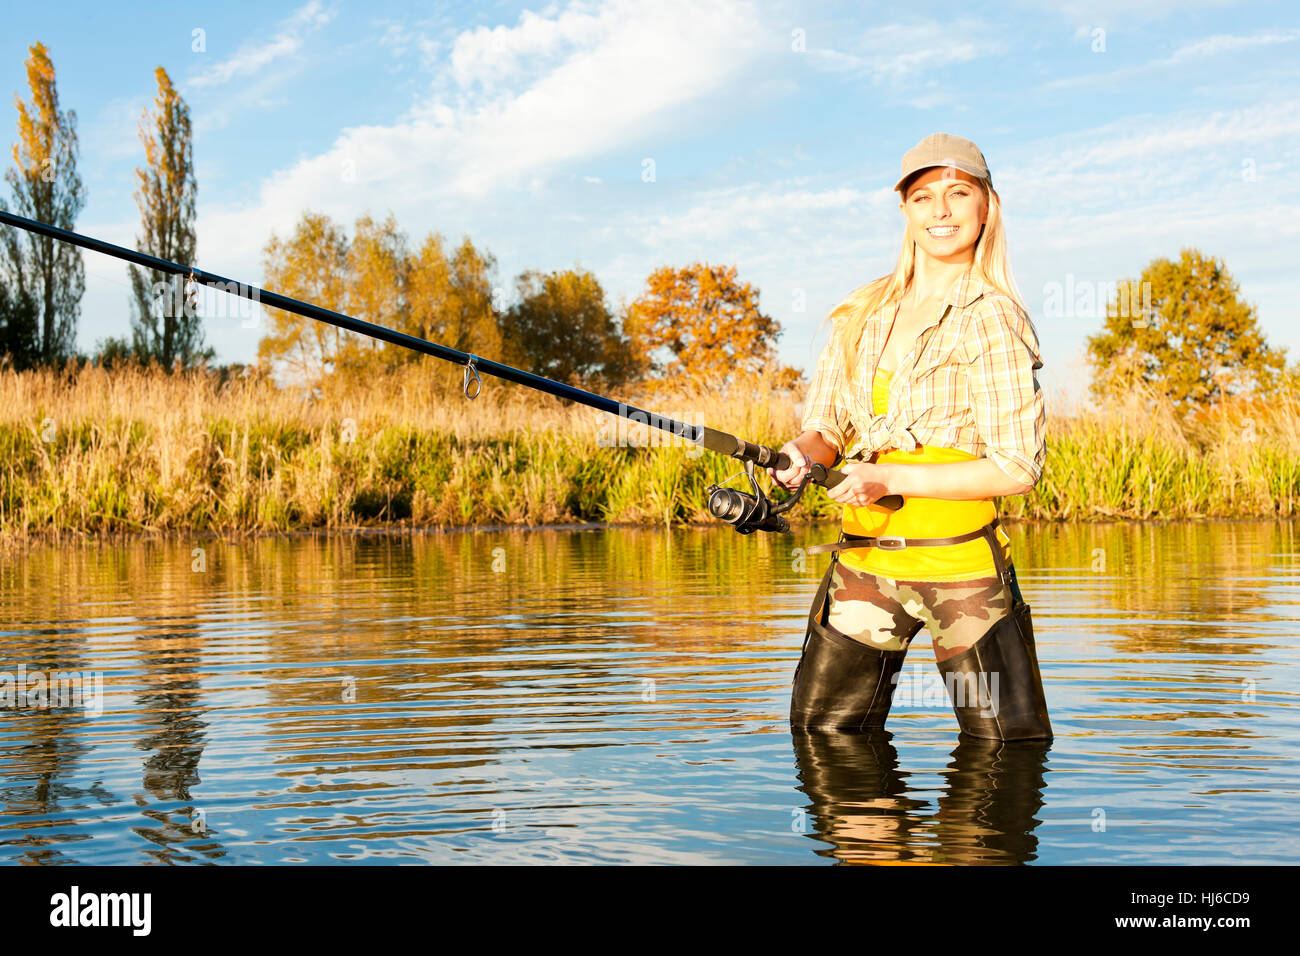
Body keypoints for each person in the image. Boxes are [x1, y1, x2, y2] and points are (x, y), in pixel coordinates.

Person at [771, 133, 1052, 741]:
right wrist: (801, 454)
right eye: (923, 197)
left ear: (987, 207)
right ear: (905, 209)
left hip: (961, 568)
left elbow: (1016, 469)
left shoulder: (994, 316)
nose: (941, 211)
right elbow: (826, 429)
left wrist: (889, 476)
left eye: (958, 194)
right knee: (822, 738)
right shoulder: (861, 312)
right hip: (864, 564)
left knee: (1006, 750)